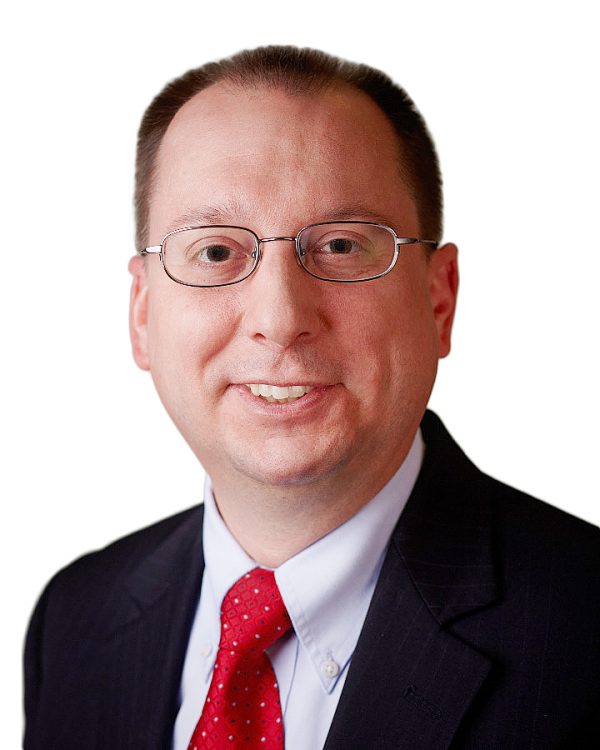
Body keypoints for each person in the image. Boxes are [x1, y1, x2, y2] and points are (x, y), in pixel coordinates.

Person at [24, 46, 599, 750]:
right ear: (142, 314)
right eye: (215, 253)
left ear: (439, 298)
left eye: (340, 246)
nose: (279, 316)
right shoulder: (77, 620)